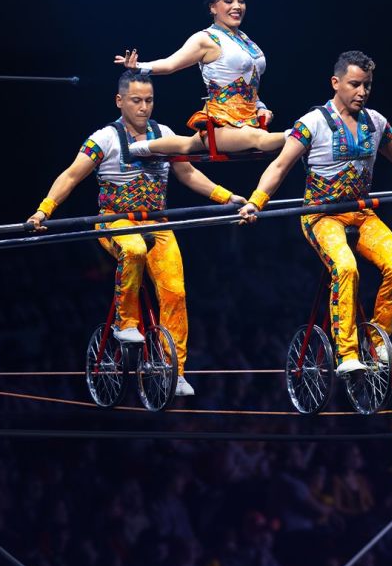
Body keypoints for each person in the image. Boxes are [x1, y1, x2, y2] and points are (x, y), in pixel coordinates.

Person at [239, 51, 392, 372]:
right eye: (354, 84)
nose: (362, 92)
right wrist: (256, 201)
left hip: (361, 214)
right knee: (346, 268)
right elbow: (279, 166)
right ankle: (347, 353)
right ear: (336, 83)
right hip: (321, 216)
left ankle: (377, 341)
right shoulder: (311, 124)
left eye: (367, 85)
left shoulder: (376, 122)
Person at [27, 70, 245, 396]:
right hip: (115, 222)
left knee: (176, 291)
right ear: (120, 101)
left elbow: (188, 173)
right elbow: (71, 176)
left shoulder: (164, 134)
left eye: (149, 100)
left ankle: (175, 371)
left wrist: (227, 197)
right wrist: (44, 210)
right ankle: (125, 323)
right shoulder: (103, 139)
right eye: (136, 101)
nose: (144, 107)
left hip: (157, 224)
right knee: (134, 251)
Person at [114, 0, 286, 156]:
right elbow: (171, 64)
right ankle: (299, 134)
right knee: (258, 138)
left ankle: (143, 147)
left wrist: (260, 106)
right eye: (229, 1)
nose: (237, 6)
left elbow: (249, 83)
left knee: (188, 145)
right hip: (222, 123)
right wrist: (139, 67)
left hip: (249, 119)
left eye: (241, 1)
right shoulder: (205, 39)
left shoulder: (245, 39)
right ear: (213, 7)